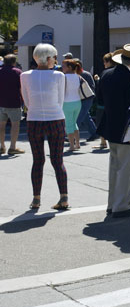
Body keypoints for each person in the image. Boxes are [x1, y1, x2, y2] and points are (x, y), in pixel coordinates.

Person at [96, 44, 130, 218]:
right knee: (128, 169)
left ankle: (113, 204)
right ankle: (122, 205)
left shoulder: (106, 74)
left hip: (111, 127)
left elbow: (100, 99)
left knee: (115, 167)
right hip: (128, 129)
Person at [21, 44, 69, 211]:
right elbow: (60, 100)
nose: (56, 60)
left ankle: (36, 199)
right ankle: (64, 197)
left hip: (34, 119)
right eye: (54, 57)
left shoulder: (25, 76)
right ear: (49, 59)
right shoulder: (59, 75)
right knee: (57, 160)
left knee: (37, 160)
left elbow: (26, 101)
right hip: (55, 118)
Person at [0, 53, 24, 156]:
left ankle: (2, 146)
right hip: (14, 102)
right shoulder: (18, 72)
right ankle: (12, 147)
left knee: (1, 125)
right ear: (14, 62)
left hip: (1, 103)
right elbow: (21, 88)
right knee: (15, 125)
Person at [61, 58, 85, 154]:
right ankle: (77, 144)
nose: (62, 68)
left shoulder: (64, 77)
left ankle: (71, 145)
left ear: (69, 67)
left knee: (69, 124)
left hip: (67, 102)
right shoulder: (78, 76)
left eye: (64, 66)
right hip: (77, 102)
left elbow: (62, 90)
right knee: (74, 123)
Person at [95, 52, 115, 149]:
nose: (104, 64)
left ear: (108, 62)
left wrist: (98, 80)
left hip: (103, 103)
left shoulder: (105, 73)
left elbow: (100, 88)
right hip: (113, 103)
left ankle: (103, 142)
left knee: (101, 122)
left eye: (104, 62)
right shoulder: (121, 71)